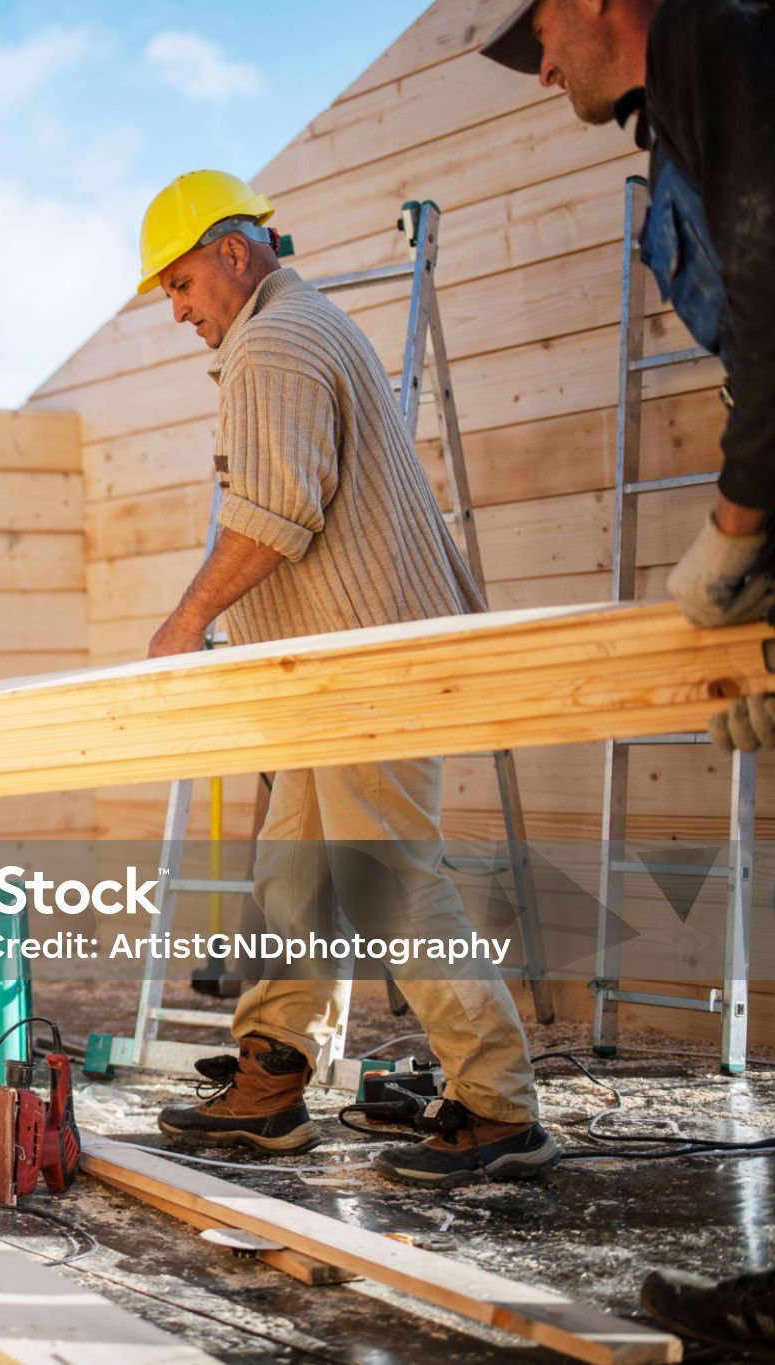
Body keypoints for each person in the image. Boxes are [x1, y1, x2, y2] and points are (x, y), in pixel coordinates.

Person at [136, 170, 558, 1188]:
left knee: (386, 883)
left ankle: (498, 1107)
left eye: (181, 284)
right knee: (295, 880)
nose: (179, 310)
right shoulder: (295, 325)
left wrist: (188, 616)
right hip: (330, 666)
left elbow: (277, 510)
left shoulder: (272, 340)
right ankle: (273, 1080)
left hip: (366, 661)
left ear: (232, 253)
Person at [483, 0, 775, 1348]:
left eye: (536, 31)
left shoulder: (735, 48)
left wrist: (737, 534)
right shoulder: (677, 124)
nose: (538, 66)